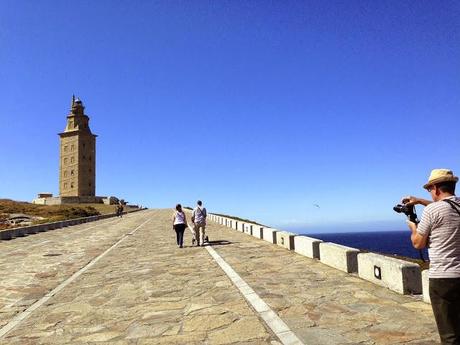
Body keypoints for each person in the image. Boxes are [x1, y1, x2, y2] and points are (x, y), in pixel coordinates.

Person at [402, 169, 460, 345]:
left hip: (443, 279)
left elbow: (418, 243)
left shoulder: (432, 211)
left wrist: (413, 227)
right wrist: (419, 201)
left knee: (450, 335)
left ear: (435, 188)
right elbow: (446, 207)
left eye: (429, 190)